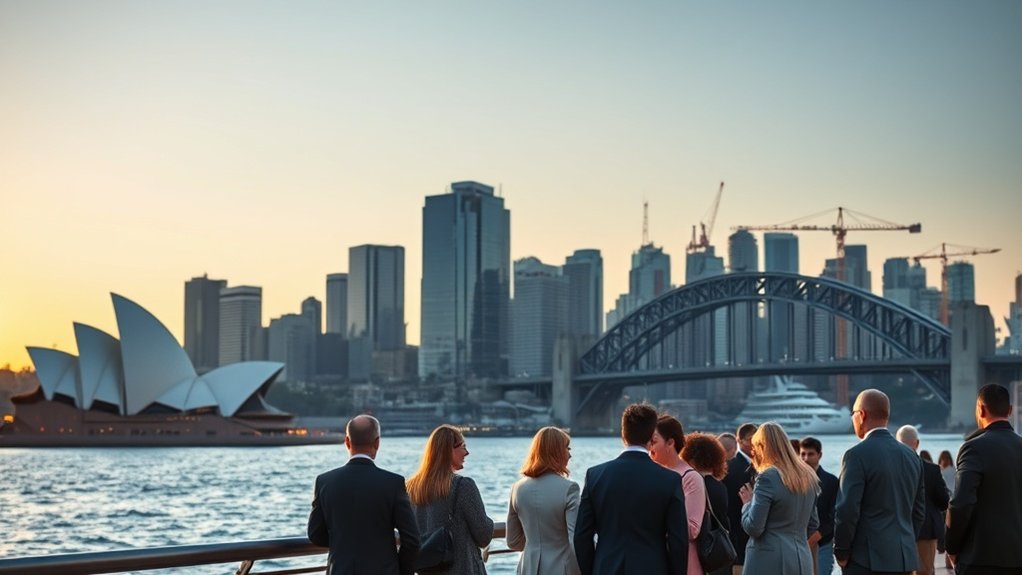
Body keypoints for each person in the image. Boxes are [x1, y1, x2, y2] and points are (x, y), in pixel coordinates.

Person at [574, 403, 688, 575]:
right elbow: (678, 540)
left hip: (606, 568)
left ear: (623, 434)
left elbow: (582, 535)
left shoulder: (595, 476)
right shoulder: (670, 480)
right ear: (651, 437)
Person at [307, 414, 420, 575]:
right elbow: (412, 540)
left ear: (347, 442)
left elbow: (315, 535)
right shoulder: (393, 483)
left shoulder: (325, 481)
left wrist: (343, 541)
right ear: (377, 443)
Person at [834, 389, 925, 575]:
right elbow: (919, 510)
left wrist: (841, 550)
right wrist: (904, 542)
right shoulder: (912, 456)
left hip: (865, 560)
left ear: (862, 415)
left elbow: (847, 510)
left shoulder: (856, 455)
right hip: (903, 559)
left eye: (853, 414)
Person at [946, 384, 1022, 575]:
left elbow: (962, 503)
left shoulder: (973, 448)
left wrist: (952, 547)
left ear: (980, 409)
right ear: (1010, 410)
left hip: (980, 558)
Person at [407, 424, 494, 575]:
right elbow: (484, 536)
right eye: (462, 446)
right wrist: (489, 522)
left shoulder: (411, 488)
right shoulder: (463, 486)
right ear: (448, 450)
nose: (467, 452)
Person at [737, 422, 819, 575]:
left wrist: (747, 505)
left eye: (754, 448)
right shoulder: (809, 475)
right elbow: (813, 524)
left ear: (762, 447)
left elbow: (754, 527)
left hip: (768, 560)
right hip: (801, 557)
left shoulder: (767, 477)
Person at [506, 426, 581, 575]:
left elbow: (513, 542)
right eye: (567, 448)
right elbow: (576, 540)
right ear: (556, 452)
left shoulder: (517, 488)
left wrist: (534, 546)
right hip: (562, 569)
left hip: (527, 568)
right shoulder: (569, 488)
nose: (570, 455)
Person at [651, 415, 706, 575]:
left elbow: (692, 529)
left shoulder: (690, 477)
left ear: (670, 442)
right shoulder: (651, 474)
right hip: (656, 559)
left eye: (653, 442)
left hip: (683, 563)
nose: (649, 447)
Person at [895, 425, 949, 575]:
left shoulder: (891, 468)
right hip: (926, 530)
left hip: (897, 529)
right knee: (925, 571)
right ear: (917, 443)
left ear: (897, 443)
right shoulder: (931, 470)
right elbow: (944, 501)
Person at [683, 432, 732, 575]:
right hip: (718, 554)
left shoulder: (694, 484)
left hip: (698, 554)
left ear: (691, 458)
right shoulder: (719, 486)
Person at [799, 437, 838, 575]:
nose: (805, 458)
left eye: (810, 454)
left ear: (819, 455)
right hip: (798, 542)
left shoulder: (831, 481)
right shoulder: (794, 481)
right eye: (802, 454)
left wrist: (816, 536)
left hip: (823, 543)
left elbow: (835, 515)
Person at [723, 422, 757, 575]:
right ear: (740, 441)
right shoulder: (732, 467)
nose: (755, 442)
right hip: (739, 542)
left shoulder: (756, 466)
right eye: (751, 439)